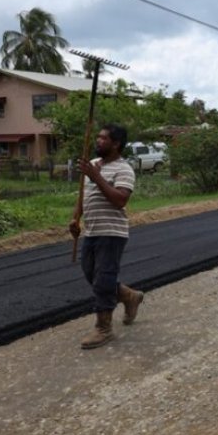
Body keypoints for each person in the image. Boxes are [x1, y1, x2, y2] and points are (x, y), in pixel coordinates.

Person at [69, 124, 144, 349]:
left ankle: (104, 328)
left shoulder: (124, 169)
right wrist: (75, 219)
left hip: (112, 232)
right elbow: (84, 196)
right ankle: (129, 296)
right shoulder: (92, 165)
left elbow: (120, 199)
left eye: (103, 138)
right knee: (91, 273)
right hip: (92, 230)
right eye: (98, 137)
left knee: (103, 279)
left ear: (116, 144)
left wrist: (97, 177)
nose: (98, 141)